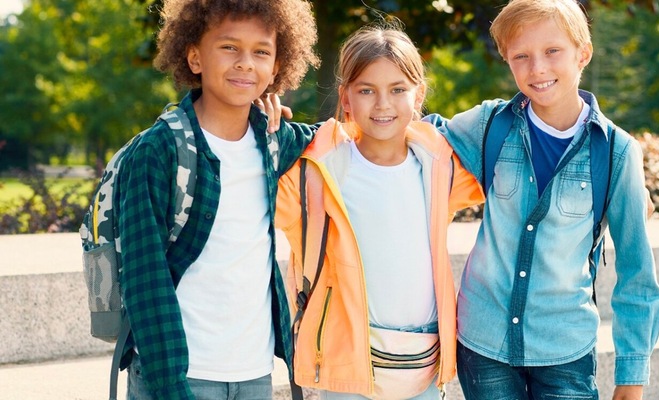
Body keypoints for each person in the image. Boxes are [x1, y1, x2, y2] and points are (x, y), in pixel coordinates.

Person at [424, 1, 659, 399]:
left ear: (582, 54)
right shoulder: (489, 125)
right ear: (507, 60)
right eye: (521, 56)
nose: (537, 68)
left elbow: (637, 272)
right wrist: (320, 135)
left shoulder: (617, 152)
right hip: (483, 342)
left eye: (553, 51)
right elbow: (422, 134)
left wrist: (632, 376)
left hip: (564, 349)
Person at [116, 0, 319, 398]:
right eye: (229, 47)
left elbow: (341, 136)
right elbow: (144, 278)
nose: (246, 63)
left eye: (261, 52)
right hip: (179, 373)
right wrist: (171, 387)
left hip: (254, 371)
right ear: (194, 57)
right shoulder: (159, 149)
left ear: (276, 67)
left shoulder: (273, 140)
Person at [273, 23, 484, 399]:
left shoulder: (441, 166)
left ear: (418, 95)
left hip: (422, 364)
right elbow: (252, 184)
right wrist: (260, 121)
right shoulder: (317, 172)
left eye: (398, 90)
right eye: (367, 90)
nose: (383, 103)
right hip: (347, 365)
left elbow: (504, 170)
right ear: (346, 98)